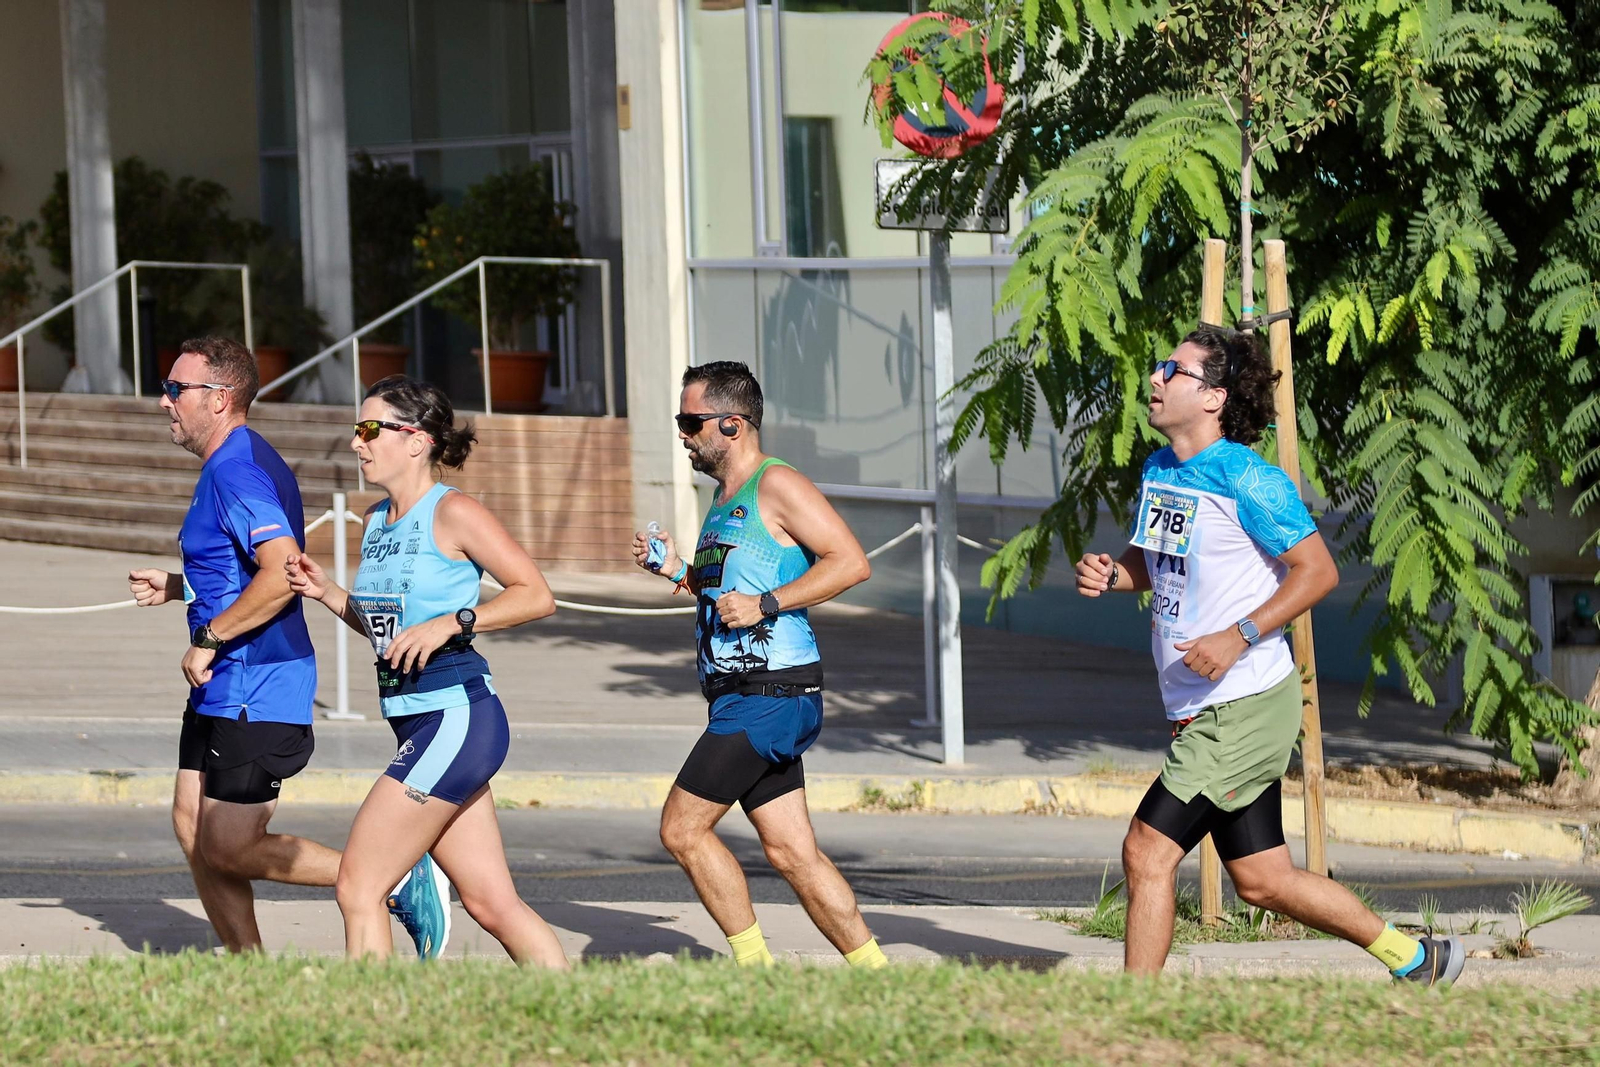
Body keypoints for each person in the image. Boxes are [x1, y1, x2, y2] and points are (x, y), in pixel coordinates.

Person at [1075, 326, 1464, 985]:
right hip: (1203, 705)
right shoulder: (1159, 469)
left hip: (1244, 703)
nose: (1156, 377)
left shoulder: (1251, 480)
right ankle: (1419, 959)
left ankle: (1131, 1022)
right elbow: (1155, 560)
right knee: (1263, 879)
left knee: (1146, 852)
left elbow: (1316, 571)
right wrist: (1117, 574)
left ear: (1213, 397)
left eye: (1175, 369)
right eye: (1159, 364)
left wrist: (1240, 635)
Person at [285, 375, 568, 968]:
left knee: (359, 885)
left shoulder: (456, 512)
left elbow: (536, 595)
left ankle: (378, 1043)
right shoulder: (378, 520)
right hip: (414, 722)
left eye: (369, 429)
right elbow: (387, 629)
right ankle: (575, 1018)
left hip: (457, 716)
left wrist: (456, 621)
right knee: (491, 903)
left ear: (415, 440)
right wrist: (330, 593)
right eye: (355, 431)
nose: (357, 443)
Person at [631, 360, 888, 969]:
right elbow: (731, 597)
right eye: (680, 420)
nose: (683, 433)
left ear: (733, 424)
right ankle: (877, 975)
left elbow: (851, 561)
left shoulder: (778, 485)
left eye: (692, 422)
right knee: (793, 855)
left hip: (769, 693)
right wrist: (676, 572)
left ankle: (754, 972)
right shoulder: (723, 500)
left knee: (682, 829)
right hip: (747, 693)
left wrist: (770, 602)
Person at [127, 336, 343, 953]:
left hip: (258, 678)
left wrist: (209, 635)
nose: (164, 401)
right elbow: (239, 566)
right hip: (222, 680)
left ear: (218, 399)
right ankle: (248, 969)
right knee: (193, 826)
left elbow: (282, 571)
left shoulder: (237, 469)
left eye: (177, 389)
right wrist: (177, 586)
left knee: (229, 843)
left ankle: (391, 875)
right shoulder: (229, 463)